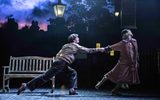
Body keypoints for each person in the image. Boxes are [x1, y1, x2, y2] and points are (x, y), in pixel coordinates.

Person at [17, 33, 107, 95]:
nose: (79, 39)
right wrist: (100, 49)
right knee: (45, 77)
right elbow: (87, 50)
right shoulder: (75, 45)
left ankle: (72, 89)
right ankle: (26, 85)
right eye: (77, 38)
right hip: (61, 63)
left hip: (60, 63)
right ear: (74, 39)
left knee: (73, 72)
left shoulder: (65, 45)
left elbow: (58, 54)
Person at [95, 29, 140, 95]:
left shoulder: (134, 41)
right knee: (112, 73)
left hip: (131, 64)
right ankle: (99, 83)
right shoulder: (123, 43)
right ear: (126, 34)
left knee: (123, 79)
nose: (130, 33)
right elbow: (112, 47)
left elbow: (136, 52)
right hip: (123, 63)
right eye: (128, 32)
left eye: (130, 32)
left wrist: (136, 61)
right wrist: (104, 49)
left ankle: (115, 90)